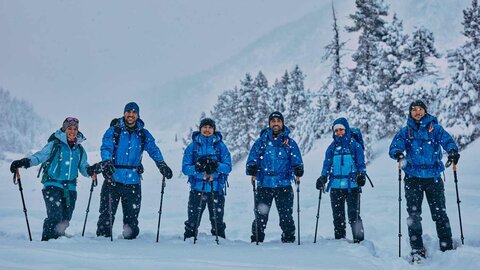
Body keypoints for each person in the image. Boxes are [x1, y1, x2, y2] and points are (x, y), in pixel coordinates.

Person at [10, 117, 102, 241]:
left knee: (65, 219)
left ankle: (59, 240)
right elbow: (40, 156)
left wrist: (91, 170)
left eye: (75, 129)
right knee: (55, 217)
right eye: (69, 128)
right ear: (64, 129)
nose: (72, 131)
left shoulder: (79, 149)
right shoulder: (55, 145)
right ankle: (48, 242)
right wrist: (25, 162)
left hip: (70, 188)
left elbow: (83, 167)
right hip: (52, 185)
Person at [389, 100, 460, 258]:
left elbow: (447, 141)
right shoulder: (406, 131)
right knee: (413, 216)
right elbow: (395, 145)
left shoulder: (435, 129)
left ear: (425, 111)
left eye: (420, 109)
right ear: (410, 113)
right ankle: (417, 250)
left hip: (433, 178)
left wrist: (453, 151)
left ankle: (446, 247)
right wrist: (398, 153)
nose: (417, 112)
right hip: (413, 178)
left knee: (440, 214)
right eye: (414, 110)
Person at [96, 102, 173, 240]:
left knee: (131, 218)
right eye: (128, 112)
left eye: (134, 112)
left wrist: (161, 164)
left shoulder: (143, 134)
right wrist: (107, 161)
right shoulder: (114, 131)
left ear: (138, 115)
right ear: (124, 113)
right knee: (106, 216)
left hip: (133, 181)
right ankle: (102, 243)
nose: (131, 115)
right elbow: (106, 148)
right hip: (112, 179)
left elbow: (153, 149)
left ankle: (131, 245)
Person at [246, 111, 304, 243]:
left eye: (278, 121)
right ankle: (257, 239)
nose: (276, 123)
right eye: (273, 121)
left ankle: (289, 239)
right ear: (269, 124)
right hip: (264, 184)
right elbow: (252, 158)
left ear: (282, 123)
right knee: (260, 215)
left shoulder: (289, 143)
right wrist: (251, 166)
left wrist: (298, 169)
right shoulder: (261, 142)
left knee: (286, 215)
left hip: (283, 184)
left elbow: (297, 160)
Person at [316, 117, 366, 243]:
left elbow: (361, 164)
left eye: (341, 130)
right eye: (336, 130)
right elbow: (327, 165)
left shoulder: (355, 146)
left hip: (352, 186)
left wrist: (361, 175)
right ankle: (339, 241)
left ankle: (359, 241)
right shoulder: (332, 148)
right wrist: (323, 177)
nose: (339, 132)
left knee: (353, 215)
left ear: (346, 129)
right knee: (338, 217)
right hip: (336, 187)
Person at [182, 118, 232, 240]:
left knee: (218, 223)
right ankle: (187, 244)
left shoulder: (220, 147)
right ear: (200, 129)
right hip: (197, 189)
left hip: (216, 189)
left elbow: (228, 167)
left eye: (210, 127)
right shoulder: (192, 147)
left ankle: (220, 244)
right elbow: (185, 168)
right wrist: (198, 167)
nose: (207, 130)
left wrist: (216, 165)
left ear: (214, 130)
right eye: (205, 127)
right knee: (192, 222)